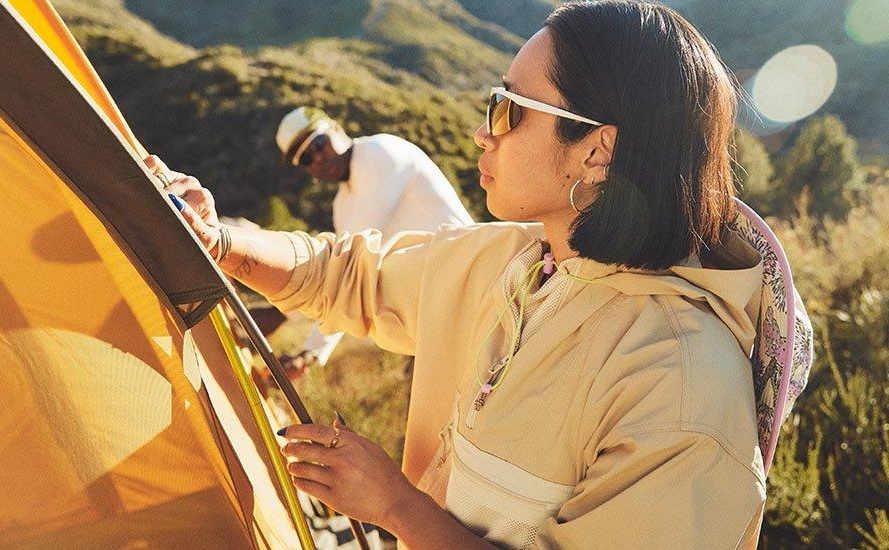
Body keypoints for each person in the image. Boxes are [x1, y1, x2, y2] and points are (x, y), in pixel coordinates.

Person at [152, 1, 792, 547]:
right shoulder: (509, 261)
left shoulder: (679, 384)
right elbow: (350, 273)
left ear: (597, 149)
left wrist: (399, 508)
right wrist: (219, 240)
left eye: (507, 108)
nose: (483, 134)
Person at [273, 107, 474, 371]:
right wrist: (311, 353)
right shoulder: (342, 205)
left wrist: (281, 311)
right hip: (432, 317)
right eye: (306, 159)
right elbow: (350, 281)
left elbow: (346, 266)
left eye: (318, 143)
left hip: (471, 291)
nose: (318, 157)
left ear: (336, 128)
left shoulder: (380, 154)